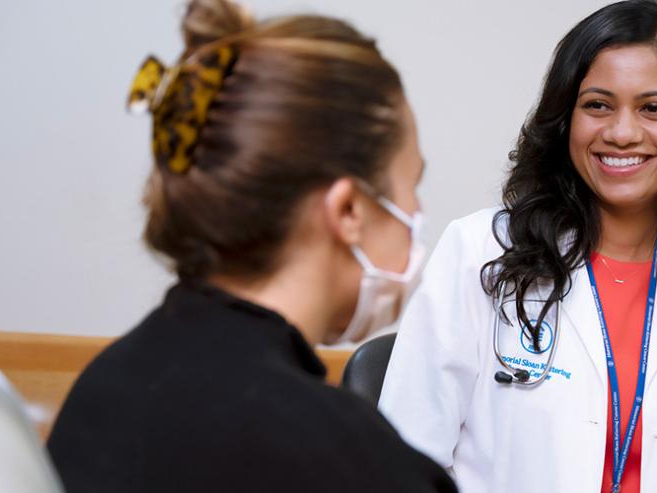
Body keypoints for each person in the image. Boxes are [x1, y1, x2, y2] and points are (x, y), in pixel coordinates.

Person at [46, 1, 455, 492]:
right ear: (347, 210)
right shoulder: (352, 461)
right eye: (412, 183)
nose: (415, 214)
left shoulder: (106, 385)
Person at [378, 1, 657, 491]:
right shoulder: (480, 253)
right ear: (567, 119)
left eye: (654, 108)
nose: (622, 133)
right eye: (597, 105)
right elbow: (403, 461)